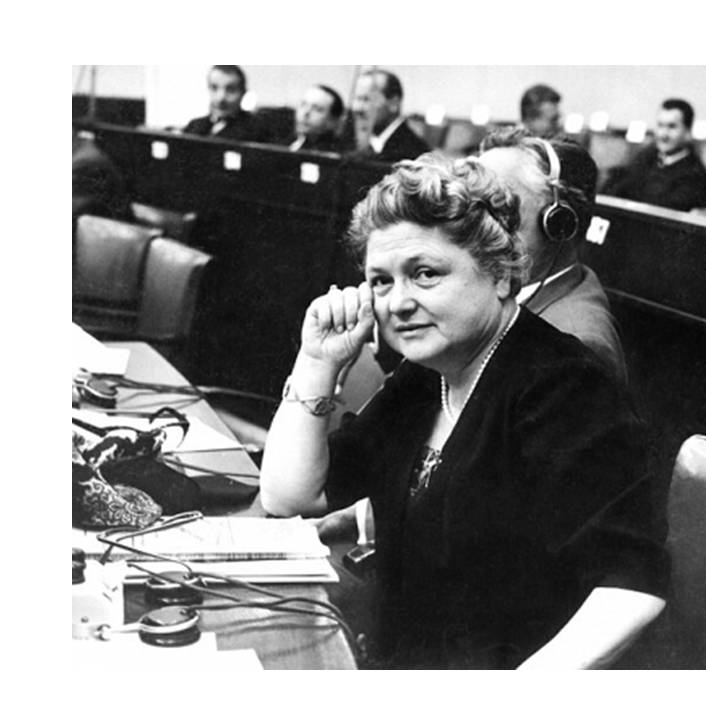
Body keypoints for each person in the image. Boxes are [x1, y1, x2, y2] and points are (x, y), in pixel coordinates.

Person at [259, 156, 669, 670]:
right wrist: (317, 362)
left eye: (425, 274)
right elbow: (290, 495)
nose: (398, 303)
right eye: (381, 281)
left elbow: (632, 586)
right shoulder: (426, 373)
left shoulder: (566, 386)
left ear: (500, 274)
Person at [479, 127, 628, 385]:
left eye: (499, 207)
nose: (472, 226)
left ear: (558, 222)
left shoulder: (576, 345)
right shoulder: (504, 296)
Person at [603, 98, 706, 212]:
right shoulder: (645, 158)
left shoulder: (696, 177)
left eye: (672, 127)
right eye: (660, 125)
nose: (663, 134)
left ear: (687, 131)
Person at [348, 69, 430, 163]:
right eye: (356, 99)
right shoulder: (348, 141)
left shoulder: (416, 155)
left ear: (393, 103)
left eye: (366, 99)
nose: (356, 108)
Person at [183, 65, 271, 143]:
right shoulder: (194, 126)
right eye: (214, 88)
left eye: (231, 90)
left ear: (243, 93)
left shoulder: (256, 131)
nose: (221, 98)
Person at [285, 84, 345, 153]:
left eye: (317, 109)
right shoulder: (286, 144)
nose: (306, 113)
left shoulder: (336, 153)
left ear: (332, 121)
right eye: (303, 104)